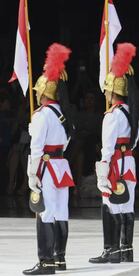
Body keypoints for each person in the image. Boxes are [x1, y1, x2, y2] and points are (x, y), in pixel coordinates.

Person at [23, 43, 74, 275]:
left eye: (37, 91)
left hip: (47, 168)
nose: (36, 93)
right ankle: (59, 258)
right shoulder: (63, 114)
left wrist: (32, 173)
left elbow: (35, 148)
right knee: (61, 212)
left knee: (45, 212)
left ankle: (45, 262)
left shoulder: (42, 116)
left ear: (44, 92)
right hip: (61, 166)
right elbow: (66, 142)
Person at [89, 43, 139, 264]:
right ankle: (126, 249)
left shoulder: (112, 115)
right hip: (128, 163)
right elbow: (134, 141)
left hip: (115, 165)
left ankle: (111, 250)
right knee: (127, 206)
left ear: (112, 90)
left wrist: (102, 173)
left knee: (110, 205)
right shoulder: (131, 113)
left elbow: (107, 148)